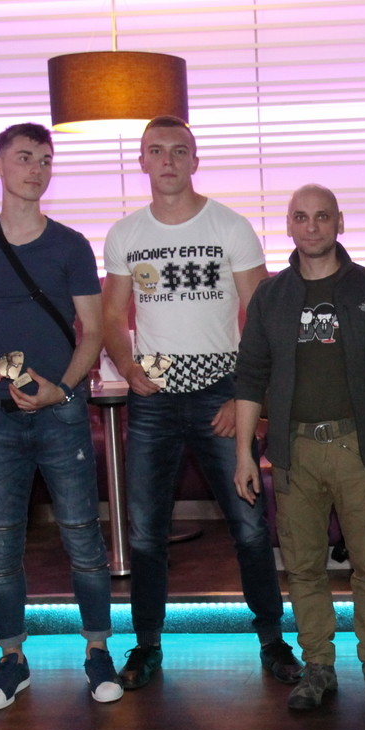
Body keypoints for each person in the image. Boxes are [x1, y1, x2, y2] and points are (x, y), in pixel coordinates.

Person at [101, 116, 299, 690]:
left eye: (178, 150)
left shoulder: (230, 226)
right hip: (155, 398)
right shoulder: (125, 233)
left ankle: (272, 640)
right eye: (156, 151)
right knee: (145, 534)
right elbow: (111, 316)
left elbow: (260, 319)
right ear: (142, 161)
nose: (167, 160)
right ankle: (146, 645)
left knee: (250, 526)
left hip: (222, 393)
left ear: (194, 159)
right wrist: (130, 368)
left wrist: (248, 400)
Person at [0, 122, 119, 710]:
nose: (36, 169)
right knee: (0, 547)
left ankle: (98, 651)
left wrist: (62, 390)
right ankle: (11, 659)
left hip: (61, 413)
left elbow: (93, 331)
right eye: (24, 158)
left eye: (45, 160)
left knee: (83, 537)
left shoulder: (70, 245)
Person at [233, 185, 365, 711]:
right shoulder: (270, 296)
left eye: (322, 216)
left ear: (339, 222)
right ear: (288, 226)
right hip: (294, 450)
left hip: (360, 447)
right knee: (304, 566)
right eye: (301, 217)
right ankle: (318, 666)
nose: (312, 227)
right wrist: (244, 453)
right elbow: (250, 377)